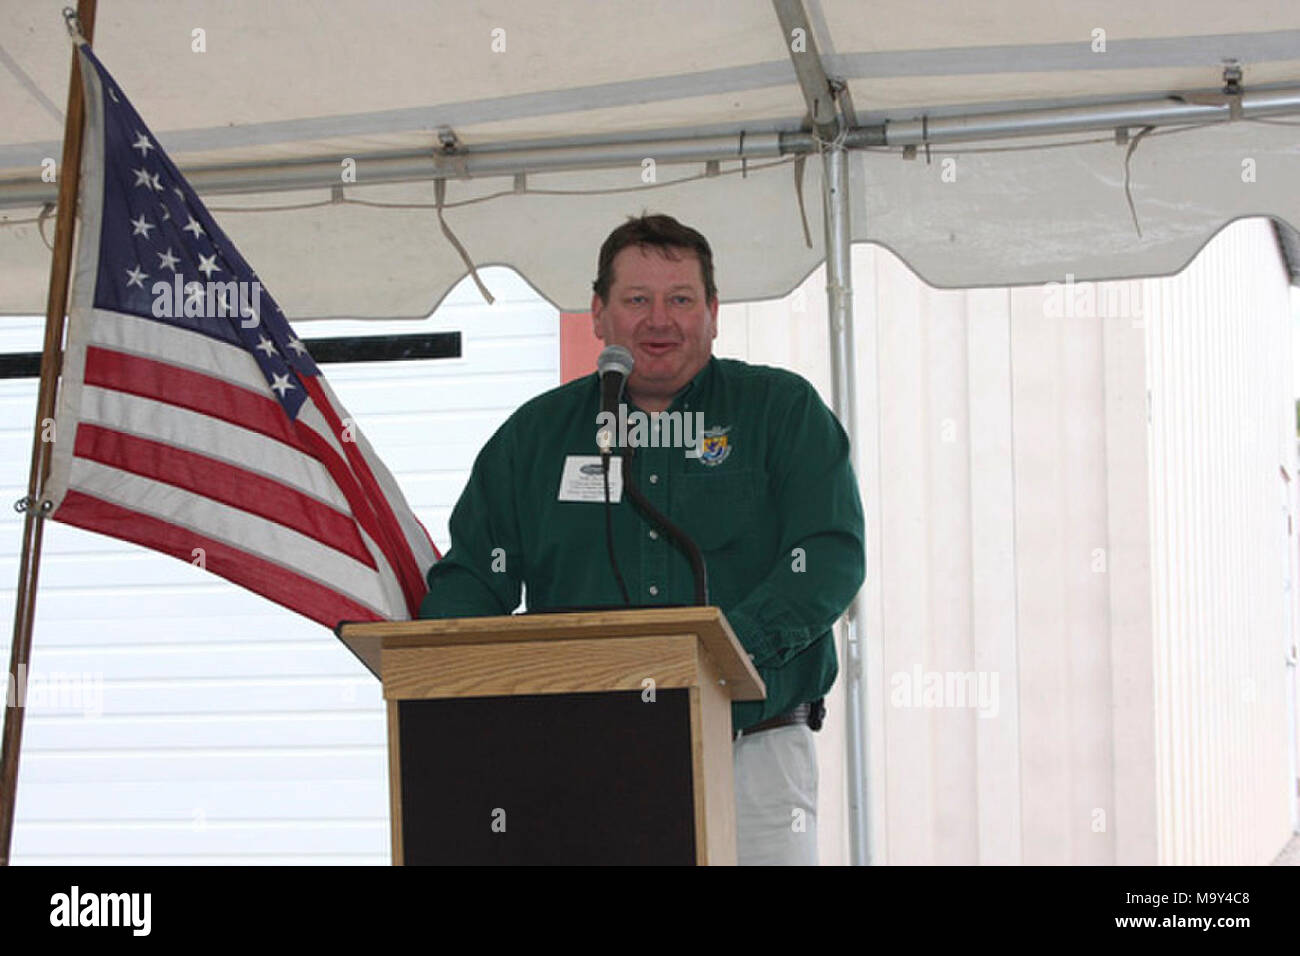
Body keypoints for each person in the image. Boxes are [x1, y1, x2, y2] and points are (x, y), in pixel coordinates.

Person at [419, 213, 865, 865]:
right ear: (598, 313)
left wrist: (720, 658)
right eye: (637, 300)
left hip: (753, 759)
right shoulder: (535, 438)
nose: (660, 321)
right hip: (576, 762)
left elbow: (828, 556)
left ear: (713, 312)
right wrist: (440, 677)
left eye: (681, 299)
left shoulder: (780, 412)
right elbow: (471, 581)